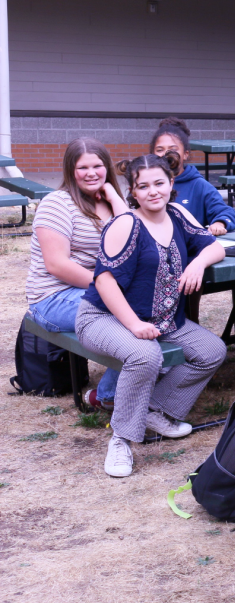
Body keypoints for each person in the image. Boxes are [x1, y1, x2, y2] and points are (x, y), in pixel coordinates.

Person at [75, 153, 227, 478]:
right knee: (146, 356)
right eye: (143, 186)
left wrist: (198, 262)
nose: (152, 191)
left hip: (162, 320)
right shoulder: (126, 224)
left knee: (212, 351)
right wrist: (133, 325)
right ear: (133, 192)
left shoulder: (179, 214)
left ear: (172, 184)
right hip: (104, 318)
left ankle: (156, 411)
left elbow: (215, 246)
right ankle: (122, 439)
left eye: (159, 183)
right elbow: (103, 281)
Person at [26, 138, 130, 410]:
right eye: (83, 167)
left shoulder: (110, 203)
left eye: (97, 165)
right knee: (127, 317)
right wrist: (109, 288)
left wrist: (115, 196)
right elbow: (57, 265)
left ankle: (125, 388)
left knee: (146, 310)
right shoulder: (57, 203)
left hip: (93, 290)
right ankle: (107, 396)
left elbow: (133, 236)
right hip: (52, 298)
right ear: (71, 171)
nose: (91, 173)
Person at [149, 117, 235, 236]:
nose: (166, 154)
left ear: (186, 154)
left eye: (173, 149)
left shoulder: (199, 185)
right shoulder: (145, 185)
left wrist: (219, 223)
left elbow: (226, 212)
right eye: (159, 150)